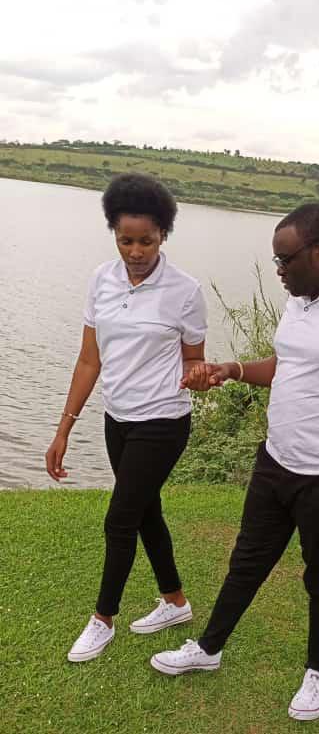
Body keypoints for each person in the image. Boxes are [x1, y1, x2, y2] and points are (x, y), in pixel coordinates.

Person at [150, 202, 319, 721]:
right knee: (246, 561)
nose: (278, 270)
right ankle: (208, 648)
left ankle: (317, 673)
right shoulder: (302, 298)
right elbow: (288, 363)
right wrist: (231, 369)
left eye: (284, 259)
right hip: (275, 462)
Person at [45, 173, 207, 662]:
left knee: (120, 519)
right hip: (117, 419)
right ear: (114, 233)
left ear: (164, 235)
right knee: (145, 511)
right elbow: (89, 360)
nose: (135, 251)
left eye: (147, 241)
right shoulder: (102, 279)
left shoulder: (185, 291)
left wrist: (199, 376)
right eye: (125, 240)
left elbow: (193, 359)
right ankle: (175, 602)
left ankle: (103, 620)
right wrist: (63, 428)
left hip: (163, 421)